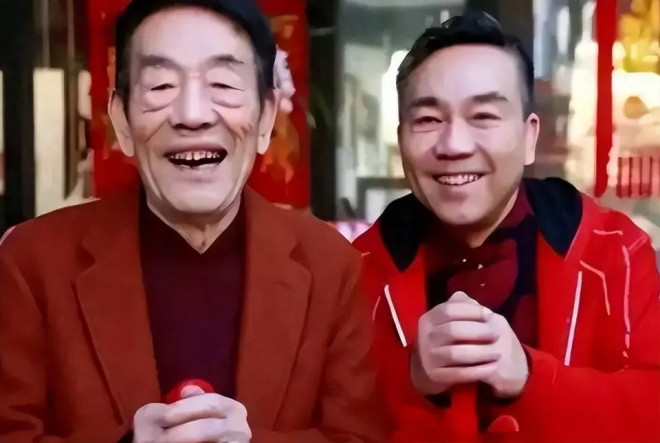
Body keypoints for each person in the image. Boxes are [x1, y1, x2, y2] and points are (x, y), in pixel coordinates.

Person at [0, 0, 387, 441]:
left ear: (265, 118)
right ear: (121, 121)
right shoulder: (33, 263)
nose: (192, 115)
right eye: (161, 85)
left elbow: (359, 435)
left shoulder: (330, 265)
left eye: (223, 84)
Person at [354, 11, 660, 442]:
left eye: (483, 116)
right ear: (402, 137)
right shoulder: (355, 270)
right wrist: (411, 379)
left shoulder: (613, 252)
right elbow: (328, 420)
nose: (454, 145)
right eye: (428, 120)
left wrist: (531, 378)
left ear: (529, 136)